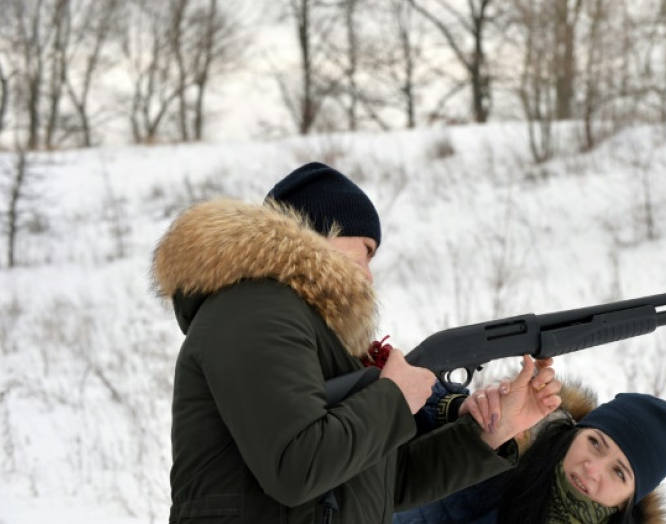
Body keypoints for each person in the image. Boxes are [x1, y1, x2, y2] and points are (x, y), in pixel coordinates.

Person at [151, 161, 563, 523]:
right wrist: (394, 398)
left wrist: (490, 433)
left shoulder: (299, 327)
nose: (368, 275)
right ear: (318, 229)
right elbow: (298, 468)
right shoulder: (255, 306)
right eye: (365, 251)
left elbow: (382, 484)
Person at [394, 383, 666, 524]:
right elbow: (405, 399)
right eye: (595, 443)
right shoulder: (505, 452)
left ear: (628, 501)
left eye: (618, 472)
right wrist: (461, 409)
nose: (592, 470)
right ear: (574, 433)